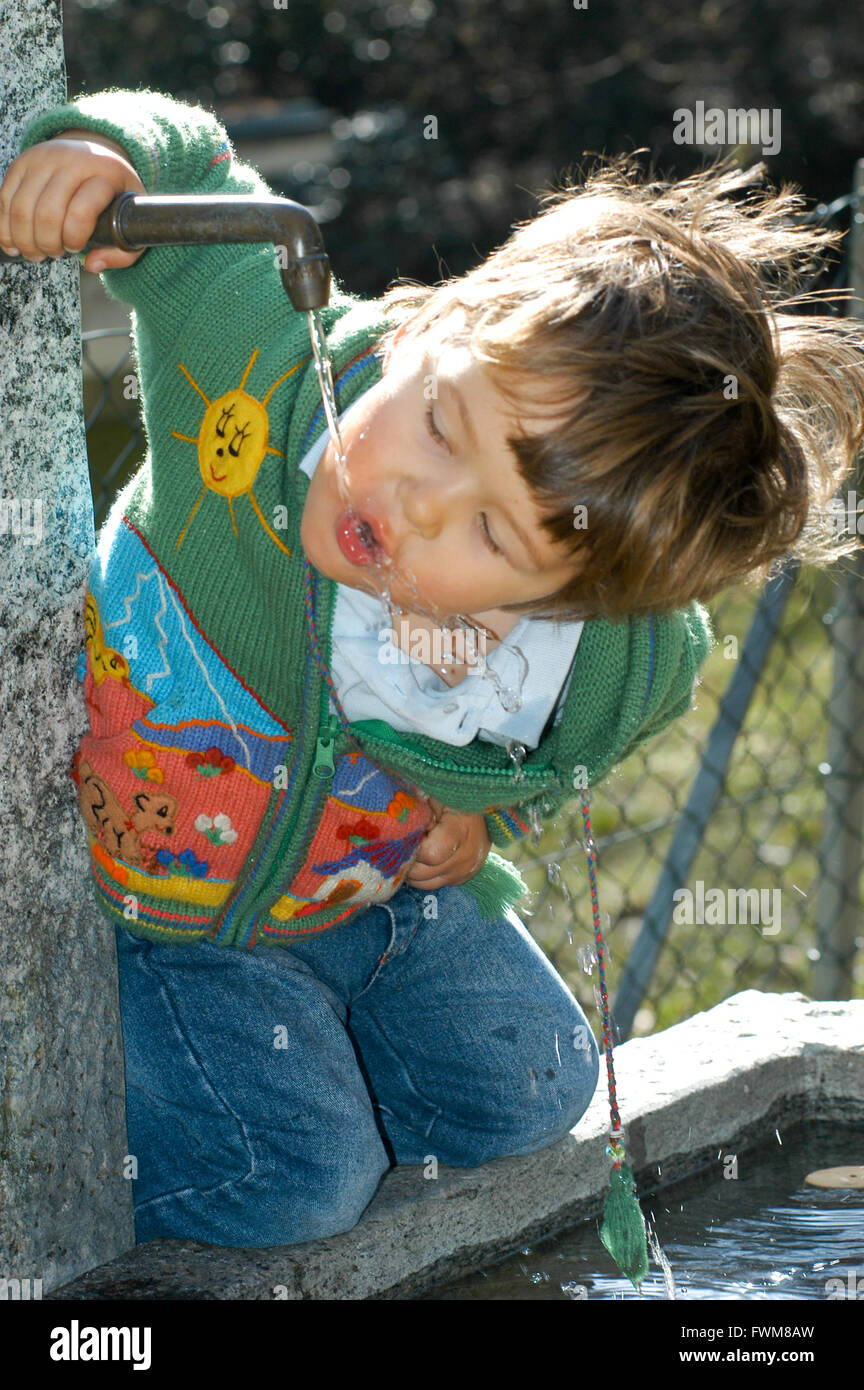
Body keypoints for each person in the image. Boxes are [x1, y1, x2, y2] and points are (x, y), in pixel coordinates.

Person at [2, 88, 861, 1250]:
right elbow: (201, 162)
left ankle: (300, 1054)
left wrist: (489, 807)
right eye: (443, 425)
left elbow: (642, 678)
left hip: (363, 896)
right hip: (165, 916)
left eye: (492, 537)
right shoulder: (262, 367)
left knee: (541, 1088)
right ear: (430, 330)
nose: (412, 501)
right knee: (296, 1181)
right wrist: (105, 156)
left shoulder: (589, 639)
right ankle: (67, 1195)